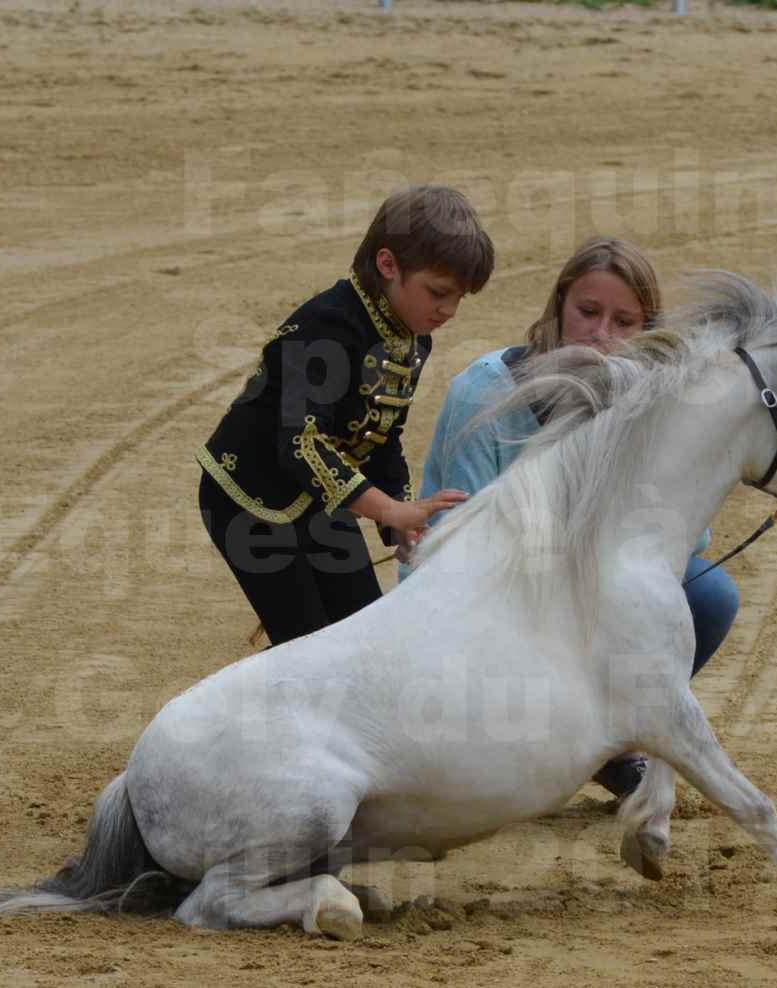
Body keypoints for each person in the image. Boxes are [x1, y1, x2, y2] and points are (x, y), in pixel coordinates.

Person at [404, 236, 741, 798]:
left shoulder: (645, 402)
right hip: (483, 596)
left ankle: (609, 746)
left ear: (646, 331)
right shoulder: (486, 391)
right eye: (587, 312)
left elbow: (691, 540)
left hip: (582, 587)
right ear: (559, 306)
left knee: (708, 595)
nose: (602, 334)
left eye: (624, 321)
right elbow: (458, 543)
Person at [197, 184, 494, 646]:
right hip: (249, 500)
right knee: (307, 647)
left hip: (324, 496)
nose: (449, 311)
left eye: (459, 298)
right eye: (438, 292)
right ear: (388, 264)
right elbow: (302, 444)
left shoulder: (411, 335)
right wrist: (389, 507)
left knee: (365, 636)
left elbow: (382, 438)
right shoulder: (327, 325)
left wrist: (398, 519)